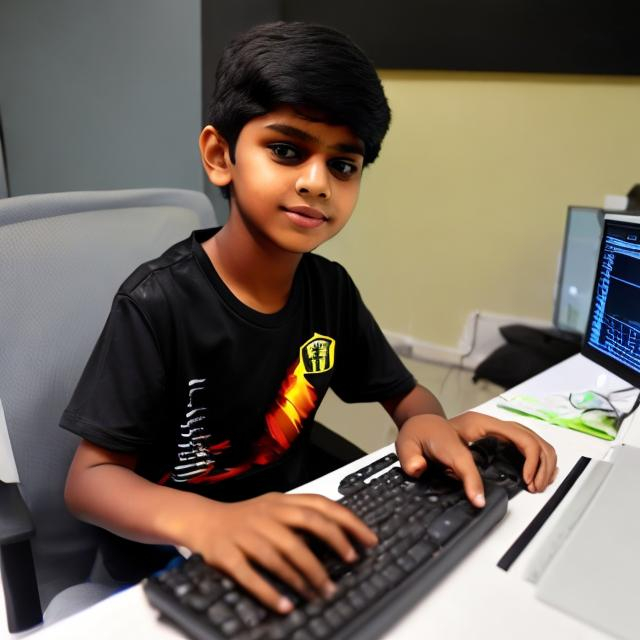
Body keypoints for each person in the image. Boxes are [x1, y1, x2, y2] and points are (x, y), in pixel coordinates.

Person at [62, 21, 557, 614]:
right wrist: (209, 522)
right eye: (287, 150)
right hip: (172, 546)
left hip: (286, 518)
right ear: (221, 156)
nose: (317, 183)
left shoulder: (330, 291)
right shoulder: (156, 303)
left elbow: (405, 395)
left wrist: (427, 421)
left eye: (343, 166)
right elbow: (88, 482)